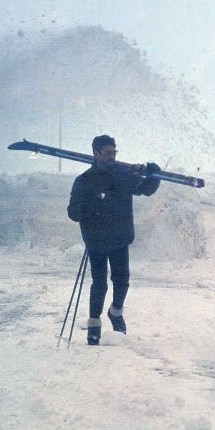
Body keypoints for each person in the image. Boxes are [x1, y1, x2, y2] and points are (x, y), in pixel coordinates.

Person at [67, 135, 161, 345]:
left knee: (122, 281)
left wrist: (154, 175)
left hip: (119, 238)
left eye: (114, 152)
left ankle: (116, 312)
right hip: (97, 241)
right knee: (99, 284)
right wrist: (94, 201)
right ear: (95, 153)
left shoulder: (123, 175)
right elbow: (73, 212)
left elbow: (145, 189)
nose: (111, 156)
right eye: (107, 153)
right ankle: (94, 325)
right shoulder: (83, 181)